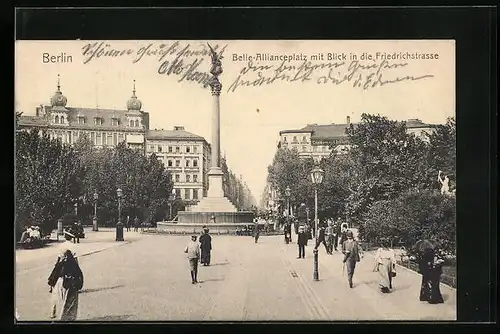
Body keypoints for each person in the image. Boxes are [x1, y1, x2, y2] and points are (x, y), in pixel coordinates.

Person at [47, 249, 84, 321]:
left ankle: (59, 316)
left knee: (59, 301)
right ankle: (70, 317)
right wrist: (78, 286)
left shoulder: (61, 264)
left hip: (60, 283)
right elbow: (79, 275)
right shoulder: (74, 264)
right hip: (71, 284)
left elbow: (53, 275)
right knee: (70, 303)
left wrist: (51, 285)